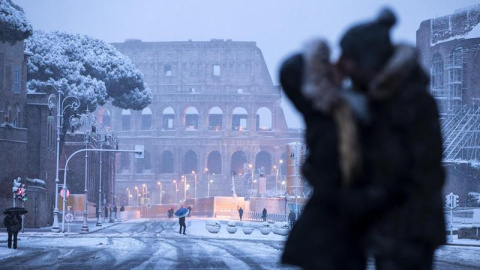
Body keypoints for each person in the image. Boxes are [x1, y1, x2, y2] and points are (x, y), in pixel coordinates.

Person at [336, 8, 445, 270]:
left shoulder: (410, 101)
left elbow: (421, 168)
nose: (343, 66)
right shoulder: (377, 99)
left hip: (409, 226)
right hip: (389, 224)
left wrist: (372, 194)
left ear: (368, 60)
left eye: (349, 59)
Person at [279, 38, 368, 269]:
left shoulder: (336, 112)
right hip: (332, 231)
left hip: (335, 229)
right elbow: (289, 72)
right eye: (328, 63)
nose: (336, 65)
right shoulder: (327, 112)